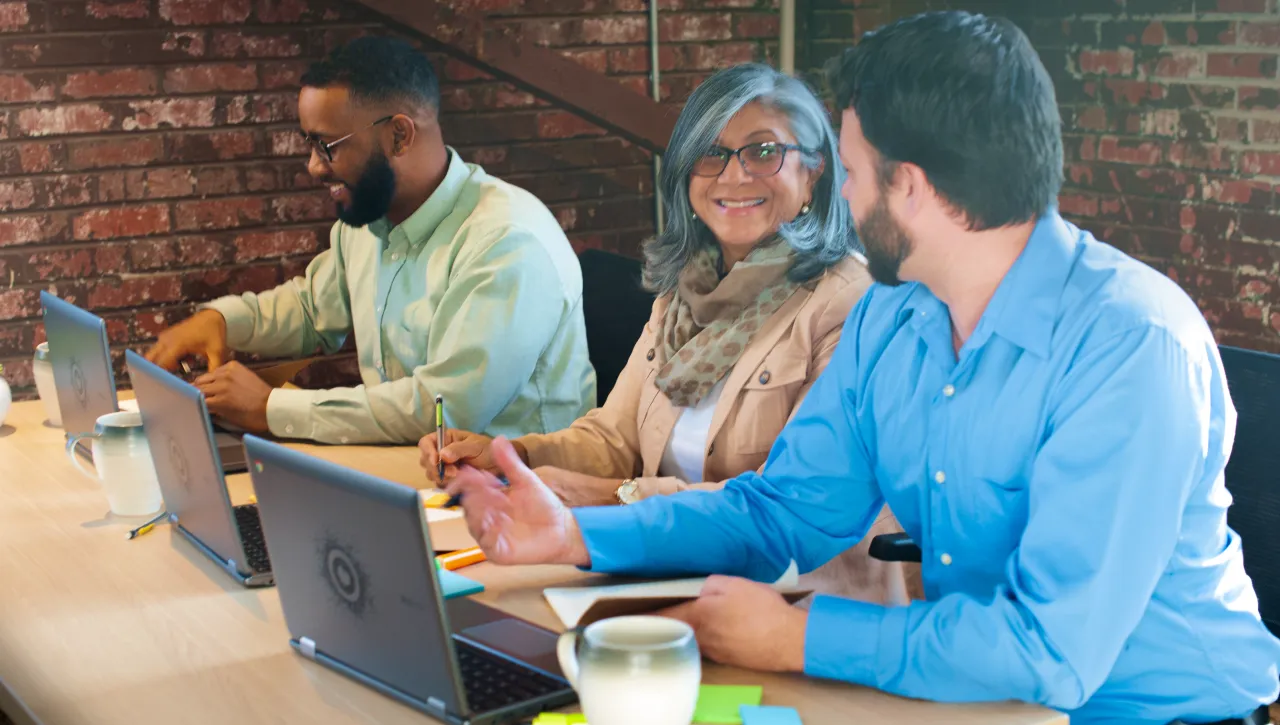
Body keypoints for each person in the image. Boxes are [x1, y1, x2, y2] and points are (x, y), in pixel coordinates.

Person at [442, 12, 1280, 725]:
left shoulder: (1131, 343)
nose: (841, 198)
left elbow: (1052, 649)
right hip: (971, 697)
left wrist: (797, 636)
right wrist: (575, 533)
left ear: (908, 186)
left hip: (1157, 712)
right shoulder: (896, 314)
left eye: (848, 169)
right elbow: (782, 514)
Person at [420, 63, 912, 604]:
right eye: (711, 153)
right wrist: (513, 458)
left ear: (814, 173)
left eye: (763, 151)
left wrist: (615, 499)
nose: (733, 176)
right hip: (668, 579)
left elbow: (781, 510)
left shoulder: (851, 304)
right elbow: (613, 438)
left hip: (797, 603)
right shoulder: (684, 292)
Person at [145, 37, 595, 445]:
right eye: (309, 143)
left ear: (398, 135)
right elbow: (312, 311)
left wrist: (270, 409)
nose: (314, 167)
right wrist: (221, 321)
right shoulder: (368, 219)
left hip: (519, 502)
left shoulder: (506, 242)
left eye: (327, 146)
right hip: (408, 475)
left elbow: (444, 410)